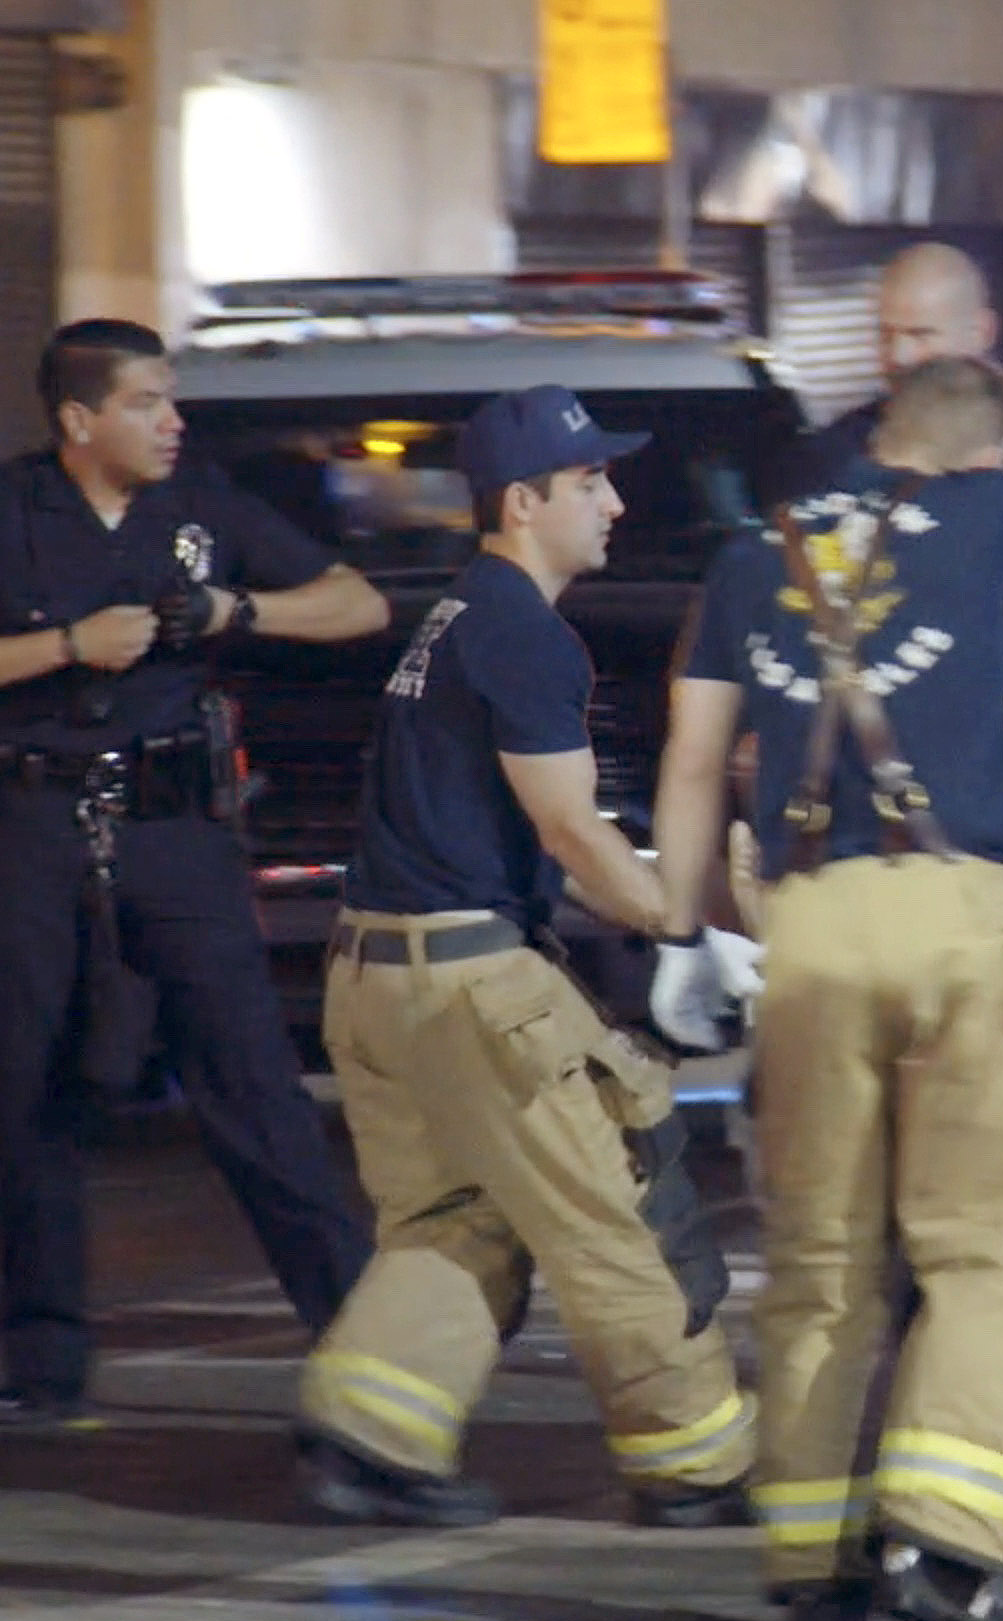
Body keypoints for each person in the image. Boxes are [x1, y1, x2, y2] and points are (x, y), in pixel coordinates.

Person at [651, 356, 1003, 1621]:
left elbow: (693, 760)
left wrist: (681, 928)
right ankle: (945, 1538)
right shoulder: (989, 508)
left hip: (804, 935)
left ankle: (808, 1555)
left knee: (818, 1264)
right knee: (993, 1240)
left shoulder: (753, 554)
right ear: (979, 455)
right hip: (961, 925)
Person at [0, 318, 386, 1430]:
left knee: (251, 1081)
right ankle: (43, 1371)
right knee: (32, 1096)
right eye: (147, 403)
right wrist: (67, 646)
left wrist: (234, 610)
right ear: (80, 420)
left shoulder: (201, 504)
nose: (173, 422)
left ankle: (367, 1352)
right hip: (27, 826)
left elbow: (357, 604)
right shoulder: (2, 508)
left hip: (173, 831)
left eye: (171, 401)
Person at [293, 385, 756, 1530]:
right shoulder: (524, 635)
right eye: (590, 478)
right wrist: (678, 929)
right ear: (522, 499)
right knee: (615, 1209)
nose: (614, 498)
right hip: (470, 988)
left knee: (459, 1216)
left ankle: (370, 1432)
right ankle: (694, 1464)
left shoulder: (454, 617)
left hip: (373, 979)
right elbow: (567, 830)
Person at [763, 242, 1003, 724]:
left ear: (982, 332)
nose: (900, 356)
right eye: (886, 335)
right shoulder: (827, 461)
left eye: (921, 335)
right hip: (874, 732)